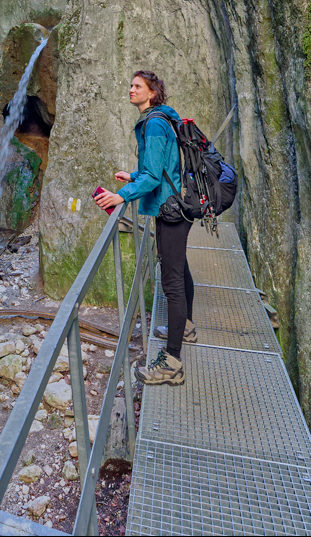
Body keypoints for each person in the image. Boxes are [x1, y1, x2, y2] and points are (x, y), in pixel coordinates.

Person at [93, 70, 196, 386]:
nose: (130, 89)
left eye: (137, 86)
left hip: (170, 212)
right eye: (131, 85)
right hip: (177, 204)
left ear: (152, 93)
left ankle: (172, 363)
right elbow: (157, 169)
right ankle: (187, 326)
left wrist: (120, 195)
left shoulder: (153, 124)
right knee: (181, 269)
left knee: (172, 281)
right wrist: (133, 178)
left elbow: (154, 177)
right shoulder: (162, 120)